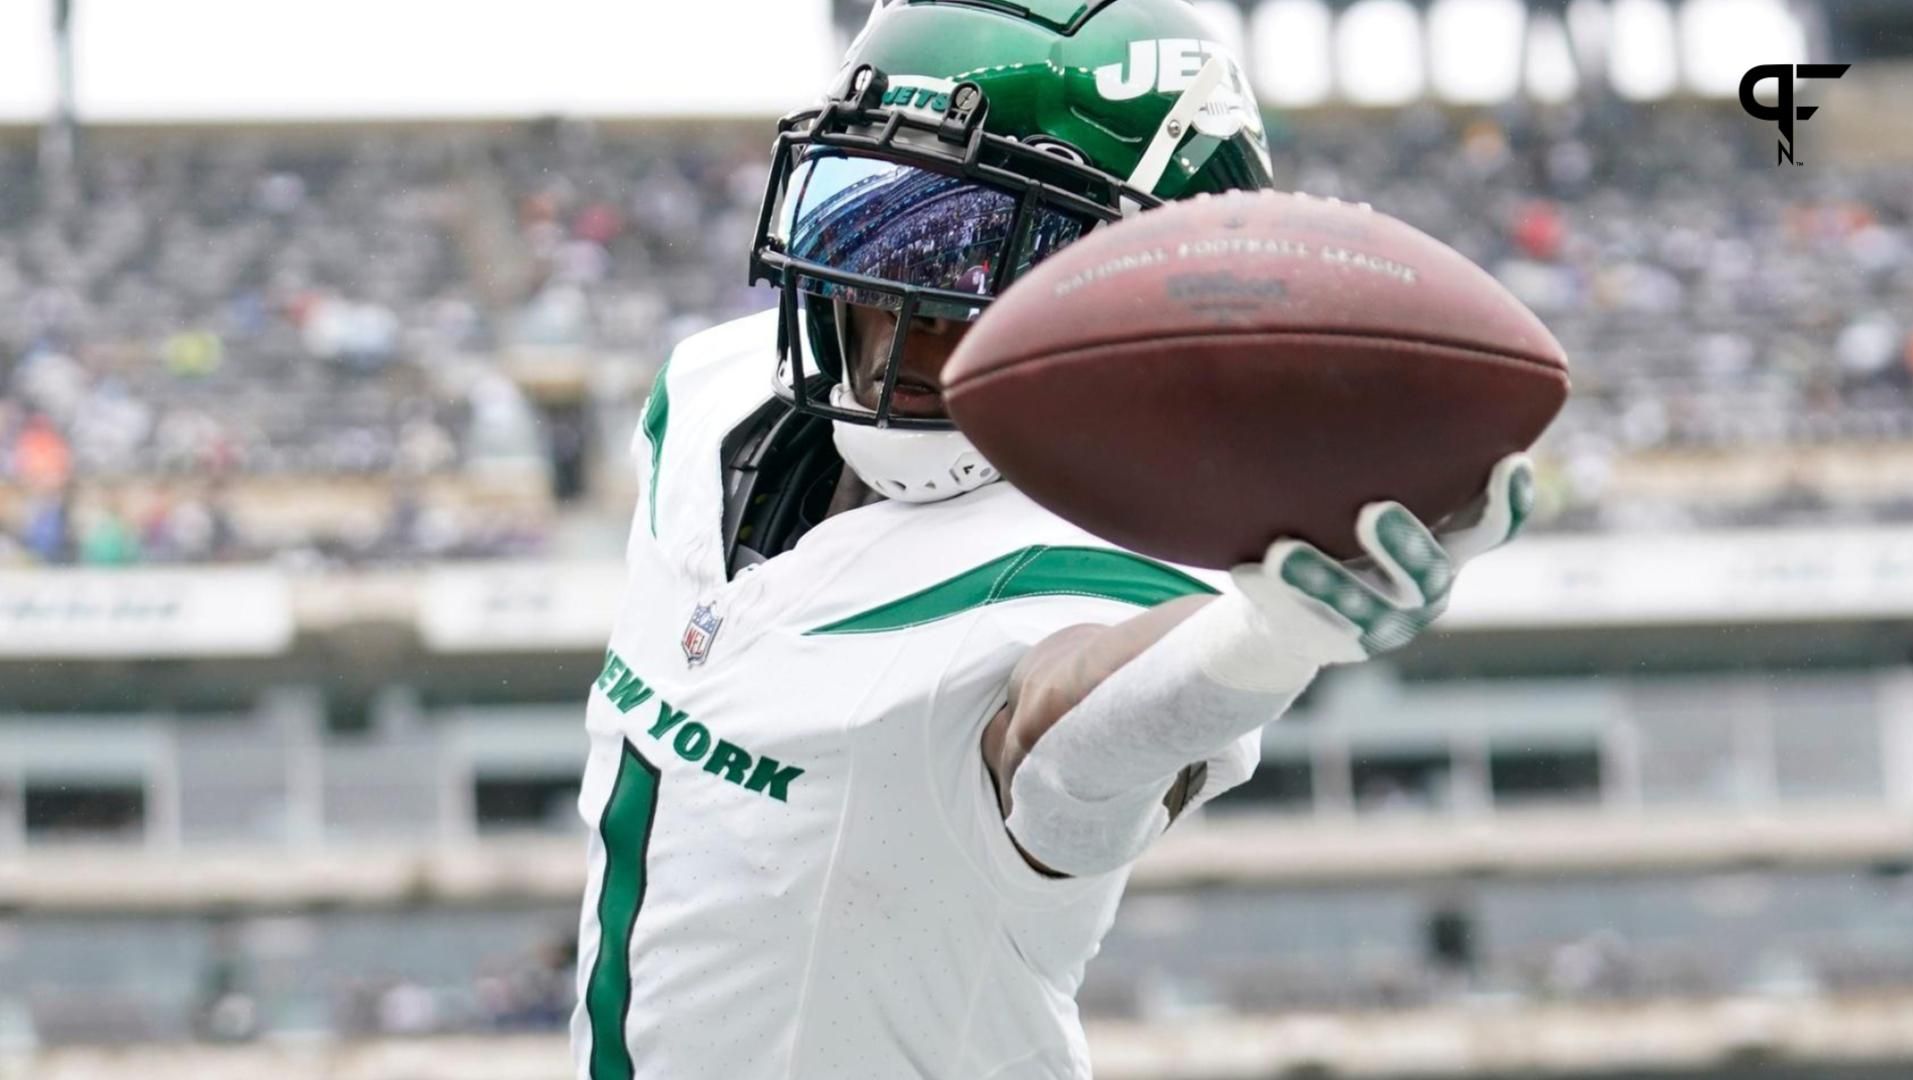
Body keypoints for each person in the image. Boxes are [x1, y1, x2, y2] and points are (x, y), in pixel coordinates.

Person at [570, 3, 1534, 1078]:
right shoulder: (708, 397)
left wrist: (1260, 644)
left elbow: (1077, 747)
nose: (896, 295)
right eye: (866, 216)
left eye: (977, 248)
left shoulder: (1095, 563)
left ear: (1141, 303)